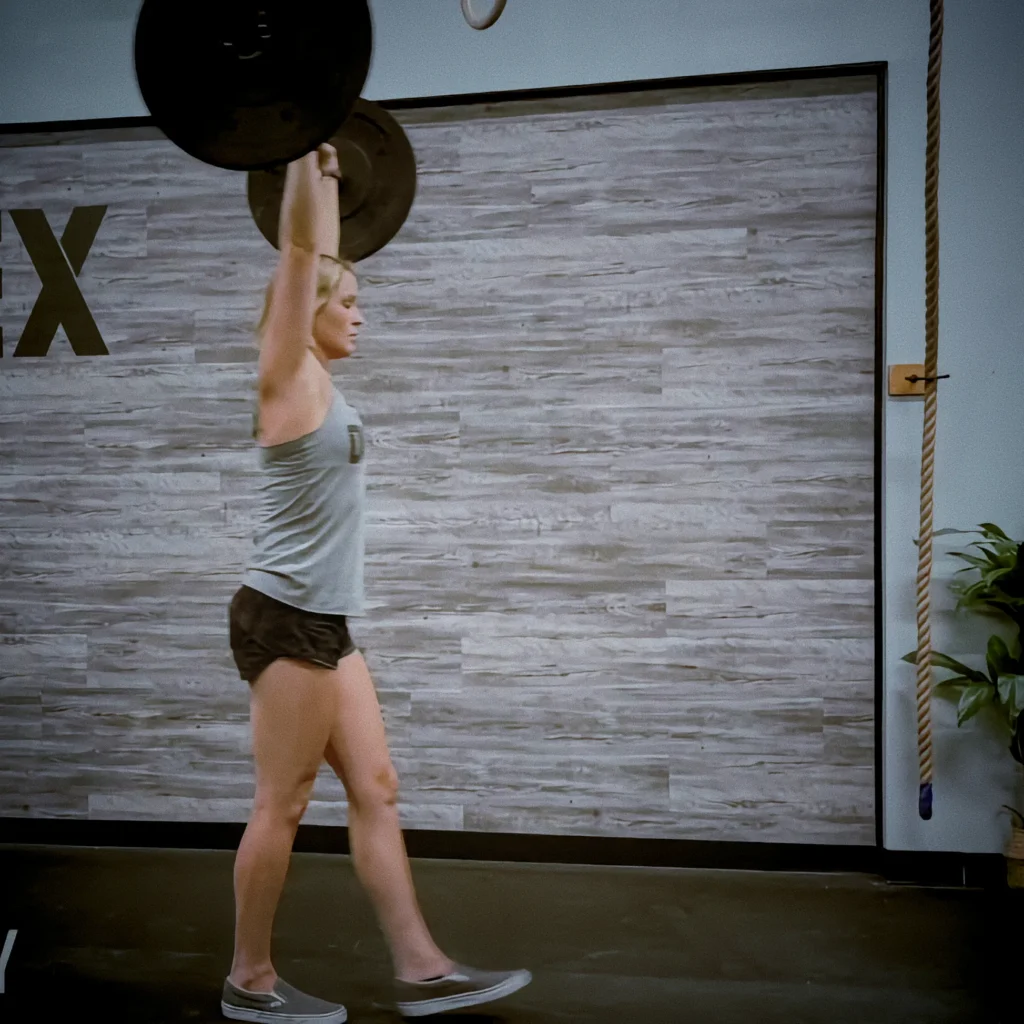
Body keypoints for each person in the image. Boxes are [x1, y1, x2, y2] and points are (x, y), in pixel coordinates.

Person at [221, 143, 532, 1023]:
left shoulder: (325, 383)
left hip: (325, 620)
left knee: (378, 786)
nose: (360, 317)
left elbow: (316, 254)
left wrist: (328, 167)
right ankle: (248, 980)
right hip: (283, 615)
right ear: (305, 312)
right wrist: (296, 154)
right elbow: (300, 256)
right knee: (281, 803)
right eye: (347, 303)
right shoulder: (284, 377)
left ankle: (422, 967)